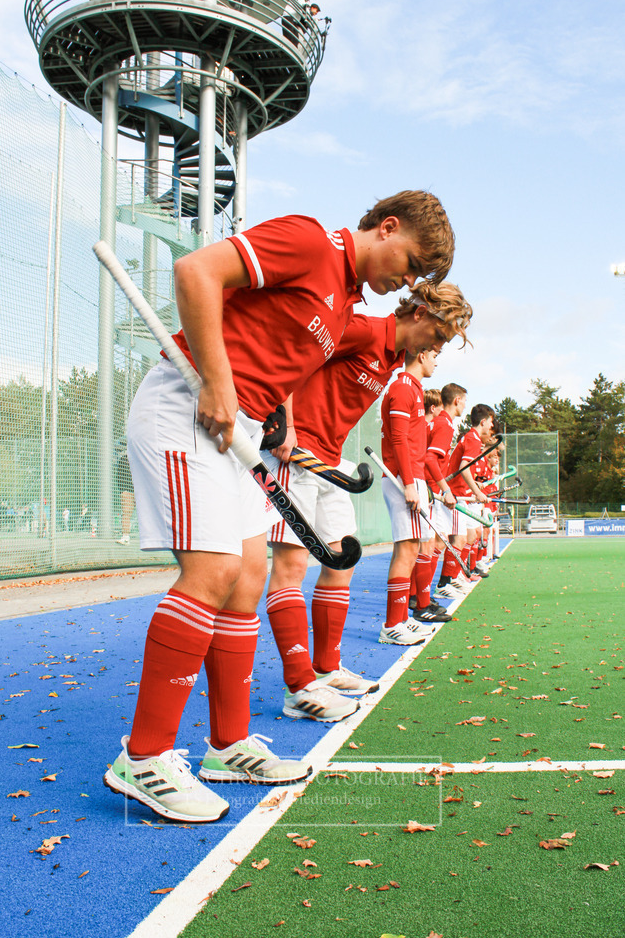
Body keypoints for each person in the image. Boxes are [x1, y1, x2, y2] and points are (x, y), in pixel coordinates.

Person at [103, 191, 455, 825]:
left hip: (238, 433)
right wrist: (217, 381)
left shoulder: (346, 300)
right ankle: (144, 757)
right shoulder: (310, 241)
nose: (407, 282)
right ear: (387, 226)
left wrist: (282, 416)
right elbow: (197, 272)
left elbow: (286, 360)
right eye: (410, 264)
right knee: (211, 573)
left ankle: (226, 745)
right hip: (186, 409)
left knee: (247, 580)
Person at [263, 282, 472, 722]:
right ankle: (299, 688)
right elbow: (293, 354)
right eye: (438, 337)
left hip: (330, 461)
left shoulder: (394, 361)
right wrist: (285, 420)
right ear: (419, 315)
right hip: (296, 454)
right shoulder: (361, 330)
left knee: (343, 560)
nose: (437, 347)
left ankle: (326, 667)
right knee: (291, 566)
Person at [378, 345, 467, 645]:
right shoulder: (403, 388)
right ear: (421, 355)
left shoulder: (414, 389)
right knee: (406, 550)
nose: (436, 363)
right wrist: (408, 482)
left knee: (412, 548)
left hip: (411, 477)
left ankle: (402, 619)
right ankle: (393, 624)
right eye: (435, 356)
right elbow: (400, 438)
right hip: (405, 477)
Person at [414, 382, 468, 620]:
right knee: (428, 547)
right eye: (464, 400)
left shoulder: (438, 422)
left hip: (428, 488)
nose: (465, 405)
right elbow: (429, 459)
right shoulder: (445, 424)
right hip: (430, 491)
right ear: (457, 400)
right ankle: (421, 602)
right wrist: (445, 489)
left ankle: (419, 597)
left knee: (429, 546)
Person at [434, 404, 497, 598]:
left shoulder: (472, 438)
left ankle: (451, 579)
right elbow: (464, 468)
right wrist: (478, 492)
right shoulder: (472, 438)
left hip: (458, 495)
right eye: (491, 421)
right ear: (483, 421)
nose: (491, 426)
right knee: (454, 540)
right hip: (453, 495)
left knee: (460, 539)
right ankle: (445, 583)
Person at [115, 451, 135, 545]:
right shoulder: (124, 459)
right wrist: (123, 491)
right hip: (129, 490)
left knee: (147, 513)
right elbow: (119, 475)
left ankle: (126, 537)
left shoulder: (143, 458)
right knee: (126, 513)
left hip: (139, 489)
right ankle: (125, 536)